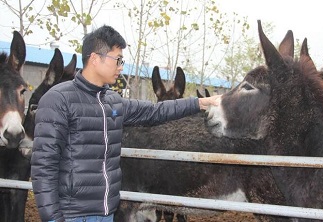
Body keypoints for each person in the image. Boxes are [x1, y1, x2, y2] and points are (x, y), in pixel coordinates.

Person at [30, 25, 220, 222]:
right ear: (95, 58)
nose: (121, 67)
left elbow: (156, 111)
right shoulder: (57, 101)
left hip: (107, 213)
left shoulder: (112, 101)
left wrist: (199, 103)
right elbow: (43, 167)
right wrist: (52, 218)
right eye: (118, 60)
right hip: (72, 215)